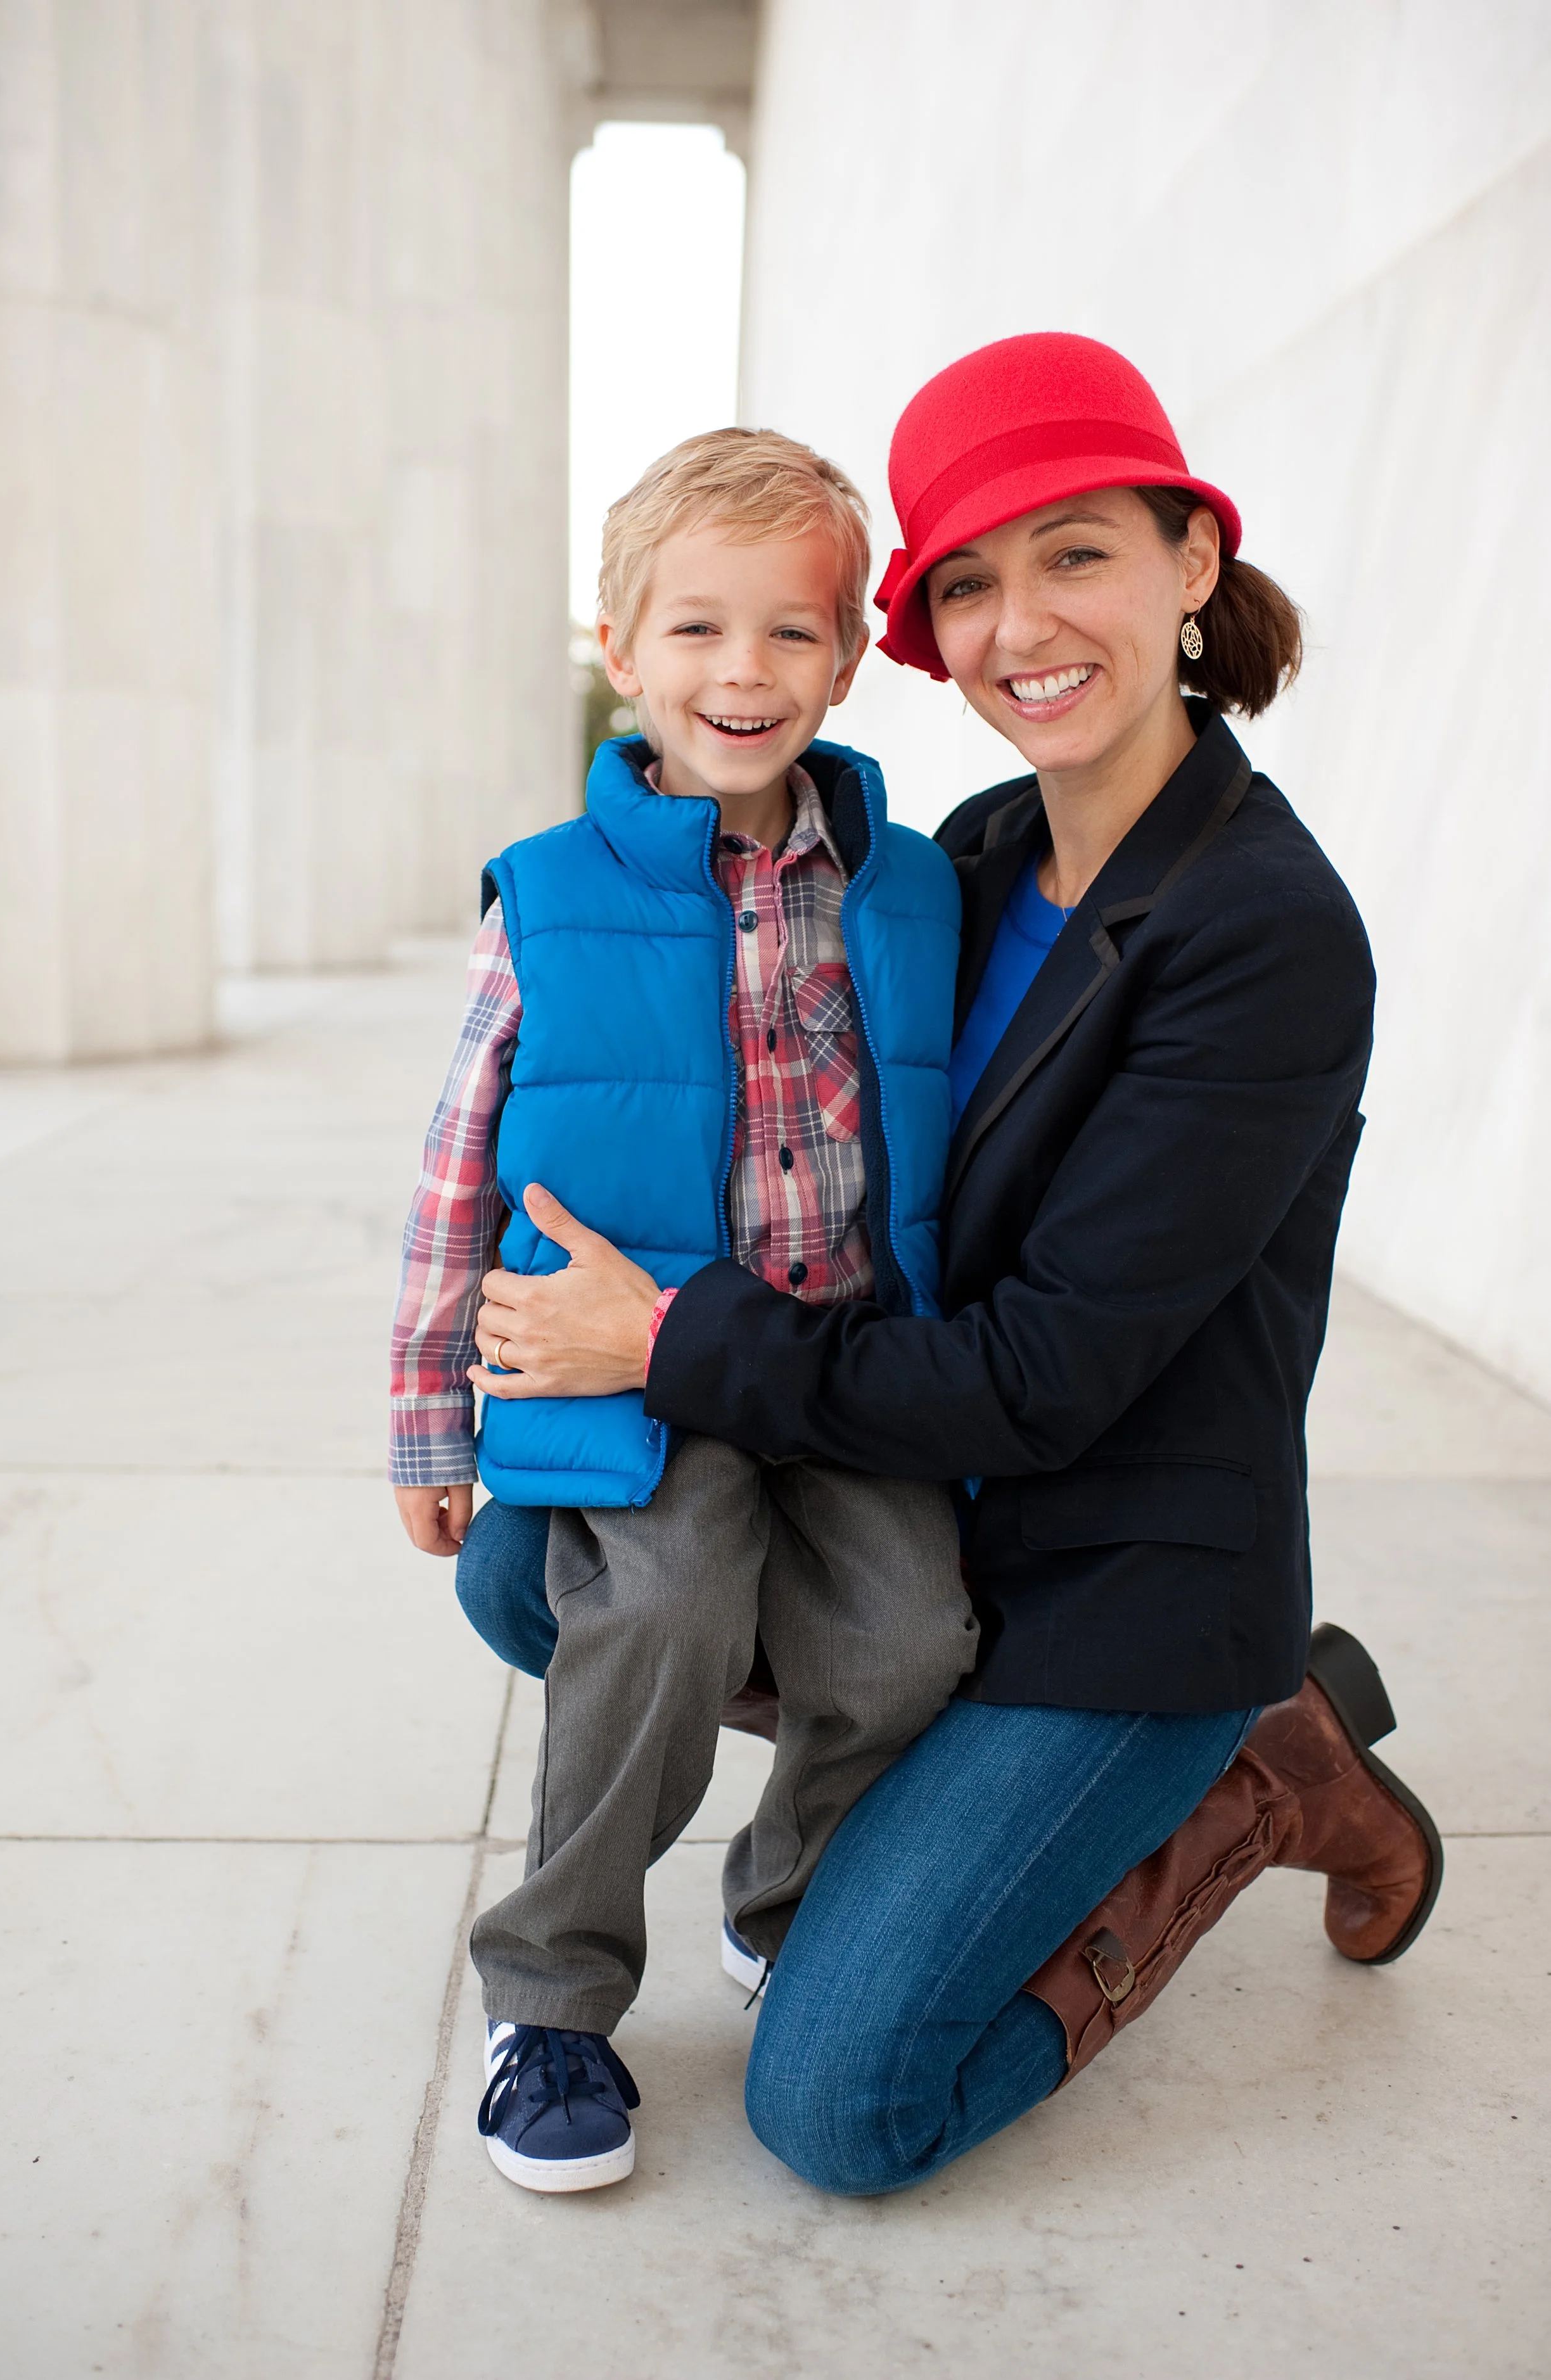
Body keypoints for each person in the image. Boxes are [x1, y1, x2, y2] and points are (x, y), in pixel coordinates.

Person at [469, 334, 1444, 2195]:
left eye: (1074, 554)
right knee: (546, 1567)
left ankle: (1251, 1775)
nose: (1021, 624)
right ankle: (904, 1794)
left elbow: (1042, 1375)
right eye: (971, 582)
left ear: (1188, 565)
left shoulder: (1261, 930)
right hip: (928, 1497)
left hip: (1113, 1570)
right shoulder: (968, 855)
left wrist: (665, 1335)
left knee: (839, 2109)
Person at [388, 428, 978, 2194]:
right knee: (657, 1614)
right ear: (620, 644)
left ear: (849, 657)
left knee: (907, 1642)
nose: (744, 674)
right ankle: (551, 1992)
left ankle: (790, 1896)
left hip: (840, 1366)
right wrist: (429, 1417)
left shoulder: (904, 880)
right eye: (698, 630)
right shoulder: (552, 897)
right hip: (629, 1384)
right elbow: (453, 1171)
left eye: (791, 634)